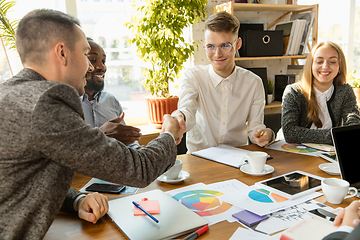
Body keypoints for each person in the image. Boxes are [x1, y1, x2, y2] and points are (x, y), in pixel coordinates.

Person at [0, 9, 184, 240]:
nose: (90, 67)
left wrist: (76, 199)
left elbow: (21, 182)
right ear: (62, 53)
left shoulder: (8, 93)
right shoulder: (45, 102)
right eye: (86, 54)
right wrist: (169, 133)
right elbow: (139, 169)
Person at [171, 11, 274, 153]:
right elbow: (187, 110)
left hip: (237, 159)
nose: (217, 54)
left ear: (237, 44)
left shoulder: (254, 83)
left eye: (225, 46)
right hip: (199, 160)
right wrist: (179, 117)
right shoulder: (193, 77)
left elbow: (255, 128)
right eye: (211, 46)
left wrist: (263, 134)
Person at [281, 41, 360, 145]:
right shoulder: (293, 92)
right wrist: (335, 136)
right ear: (311, 65)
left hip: (328, 151)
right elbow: (290, 133)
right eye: (319, 62)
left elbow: (353, 125)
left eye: (332, 62)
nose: (325, 66)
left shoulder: (345, 91)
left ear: (339, 67)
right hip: (294, 151)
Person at [82, 38, 141, 148]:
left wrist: (139, 151)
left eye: (103, 61)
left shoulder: (110, 100)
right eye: (93, 60)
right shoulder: (66, 106)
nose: (102, 67)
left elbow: (128, 143)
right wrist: (101, 137)